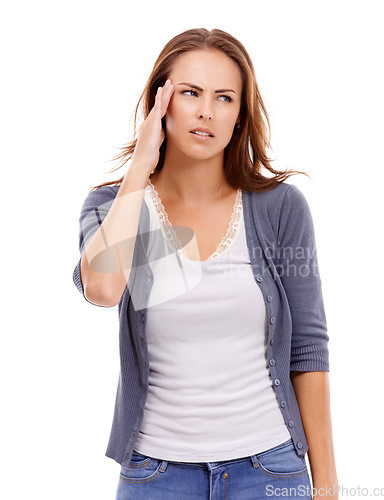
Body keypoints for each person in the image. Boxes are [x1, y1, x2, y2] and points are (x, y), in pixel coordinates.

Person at [72, 28, 338, 500]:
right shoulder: (114, 205)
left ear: (239, 115)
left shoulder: (279, 208)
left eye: (225, 98)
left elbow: (308, 351)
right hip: (155, 474)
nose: (206, 111)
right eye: (190, 93)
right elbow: (103, 289)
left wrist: (328, 486)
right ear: (161, 102)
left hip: (271, 470)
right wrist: (140, 165)